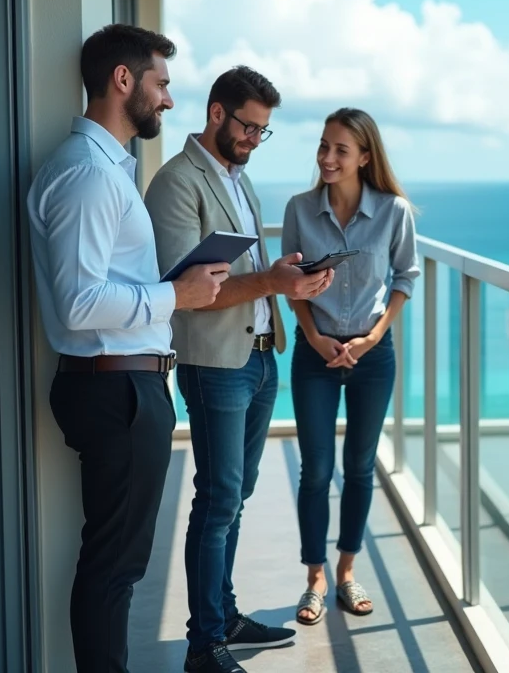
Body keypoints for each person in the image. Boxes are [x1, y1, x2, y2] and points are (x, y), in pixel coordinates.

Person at [26, 24, 230, 673]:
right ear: (123, 80)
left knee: (117, 563)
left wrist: (178, 289)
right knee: (114, 567)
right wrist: (179, 298)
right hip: (115, 389)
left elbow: (103, 287)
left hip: (123, 384)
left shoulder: (106, 170)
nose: (168, 100)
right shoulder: (89, 176)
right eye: (161, 83)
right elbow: (79, 303)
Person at [143, 66, 333, 673]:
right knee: (218, 499)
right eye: (249, 127)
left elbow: (245, 270)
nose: (254, 139)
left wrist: (291, 280)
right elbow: (185, 287)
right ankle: (205, 645)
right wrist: (271, 279)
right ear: (217, 113)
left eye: (263, 132)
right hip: (214, 364)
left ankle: (223, 615)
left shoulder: (237, 179)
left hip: (256, 356)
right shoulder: (176, 183)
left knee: (236, 496)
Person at [281, 107, 419, 626]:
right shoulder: (299, 209)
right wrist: (315, 336)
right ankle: (314, 578)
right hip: (314, 355)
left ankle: (345, 571)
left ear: (365, 156)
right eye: (323, 146)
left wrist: (374, 335)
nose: (328, 157)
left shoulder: (394, 211)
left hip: (372, 356)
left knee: (360, 467)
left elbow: (405, 277)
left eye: (340, 149)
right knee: (315, 469)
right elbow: (290, 283)